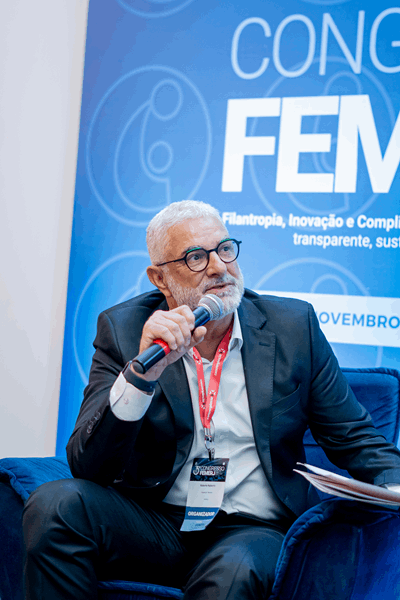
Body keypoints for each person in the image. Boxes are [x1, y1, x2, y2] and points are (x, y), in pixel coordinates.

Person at [23, 200, 400, 600]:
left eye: (224, 249)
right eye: (196, 257)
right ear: (160, 278)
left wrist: (393, 481)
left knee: (235, 571)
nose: (219, 267)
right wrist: (142, 376)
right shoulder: (125, 329)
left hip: (252, 527)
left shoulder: (292, 327)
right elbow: (89, 466)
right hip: (156, 520)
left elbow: (355, 436)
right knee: (55, 505)